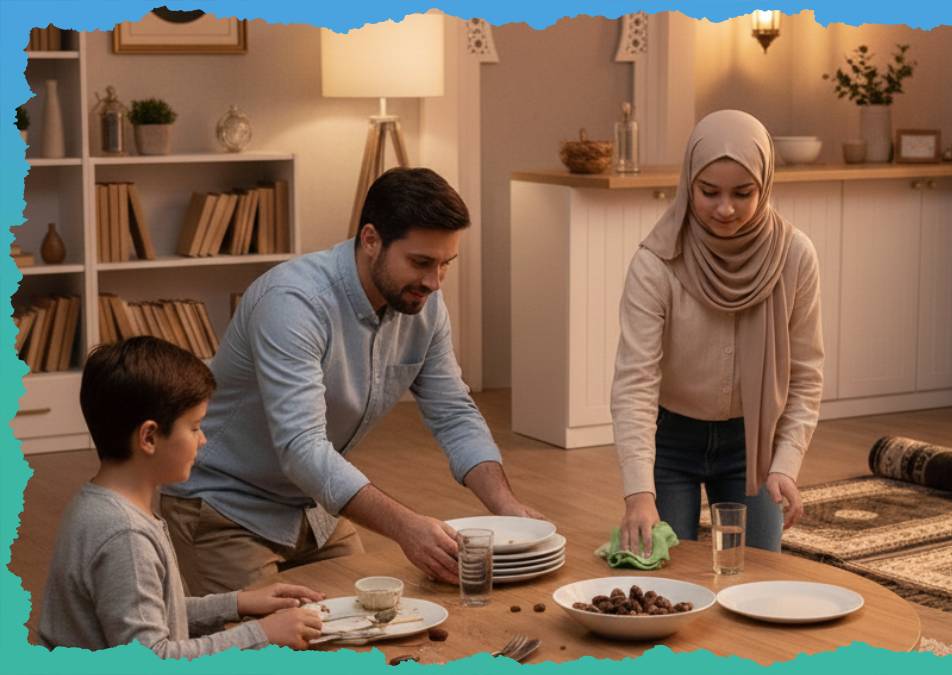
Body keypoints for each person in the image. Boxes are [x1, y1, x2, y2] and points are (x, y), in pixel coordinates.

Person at [161, 168, 541, 594]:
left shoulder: (424, 306)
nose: (434, 283)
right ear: (371, 239)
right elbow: (301, 448)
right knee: (262, 656)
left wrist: (507, 509)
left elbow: (454, 414)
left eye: (445, 264)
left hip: (315, 513)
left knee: (374, 629)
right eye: (420, 263)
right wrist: (406, 527)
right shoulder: (293, 303)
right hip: (226, 511)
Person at [611, 109, 824, 556]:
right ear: (689, 182)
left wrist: (785, 465)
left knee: (758, 579)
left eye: (743, 193)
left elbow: (805, 375)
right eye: (709, 192)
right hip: (670, 444)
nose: (725, 209)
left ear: (764, 186)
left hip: (752, 445)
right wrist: (638, 493)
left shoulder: (795, 256)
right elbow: (635, 384)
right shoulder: (656, 262)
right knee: (666, 579)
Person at [39, 337, 324, 657]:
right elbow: (153, 658)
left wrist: (238, 603)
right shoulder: (125, 534)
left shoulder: (100, 504)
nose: (202, 440)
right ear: (148, 437)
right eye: (194, 427)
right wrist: (261, 634)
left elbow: (155, 613)